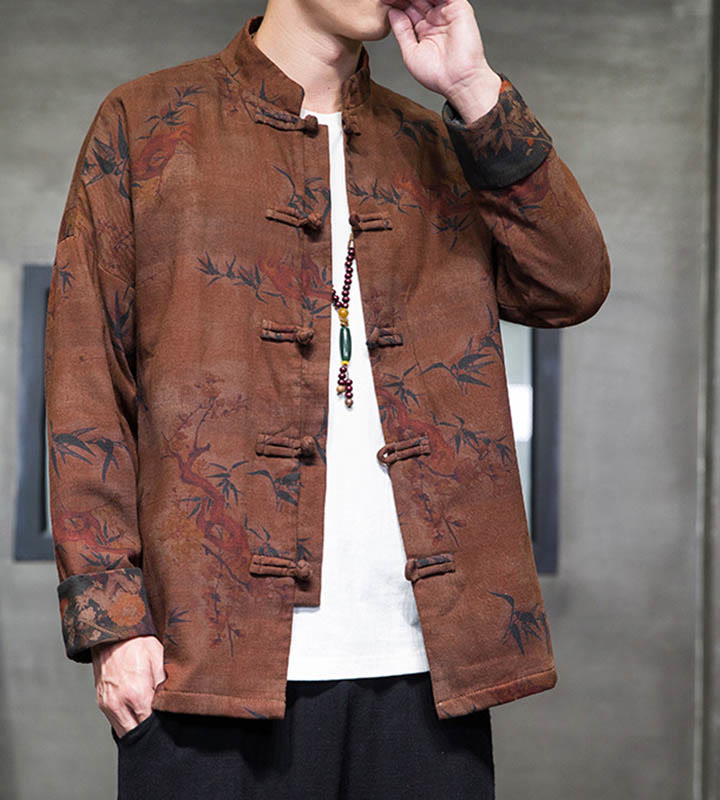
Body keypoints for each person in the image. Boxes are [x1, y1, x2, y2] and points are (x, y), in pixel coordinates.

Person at [45, 0, 610, 797]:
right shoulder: (148, 125)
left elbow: (571, 283)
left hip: (427, 672)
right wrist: (112, 622)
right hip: (206, 666)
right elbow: (85, 381)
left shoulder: (435, 143)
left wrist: (474, 88)